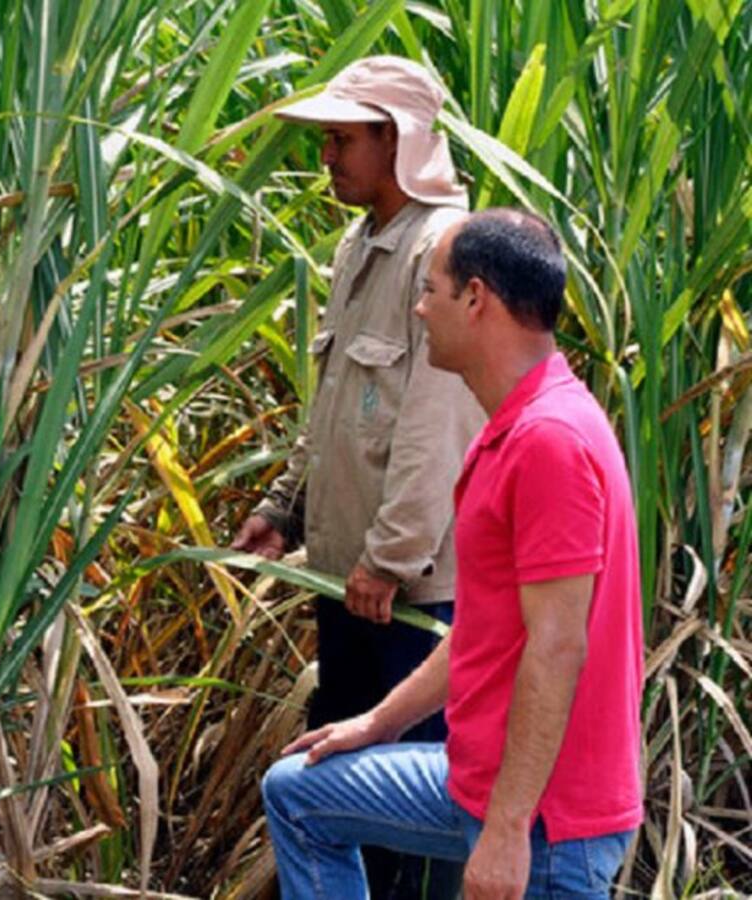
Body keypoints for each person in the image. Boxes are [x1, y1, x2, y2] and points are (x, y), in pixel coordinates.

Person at [260, 209, 645, 899]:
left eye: (429, 290)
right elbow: (484, 632)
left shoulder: (550, 441)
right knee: (299, 794)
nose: (419, 309)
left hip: (546, 822)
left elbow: (557, 646)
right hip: (477, 779)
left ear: (475, 299)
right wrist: (377, 724)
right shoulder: (510, 429)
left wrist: (507, 830)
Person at [230, 56, 483, 896]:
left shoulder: (444, 248)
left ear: (396, 140)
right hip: (353, 581)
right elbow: (338, 400)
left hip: (412, 594)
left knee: (415, 804)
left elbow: (436, 423)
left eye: (343, 139)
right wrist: (285, 509)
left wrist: (393, 558)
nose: (328, 157)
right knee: (345, 785)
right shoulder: (362, 243)